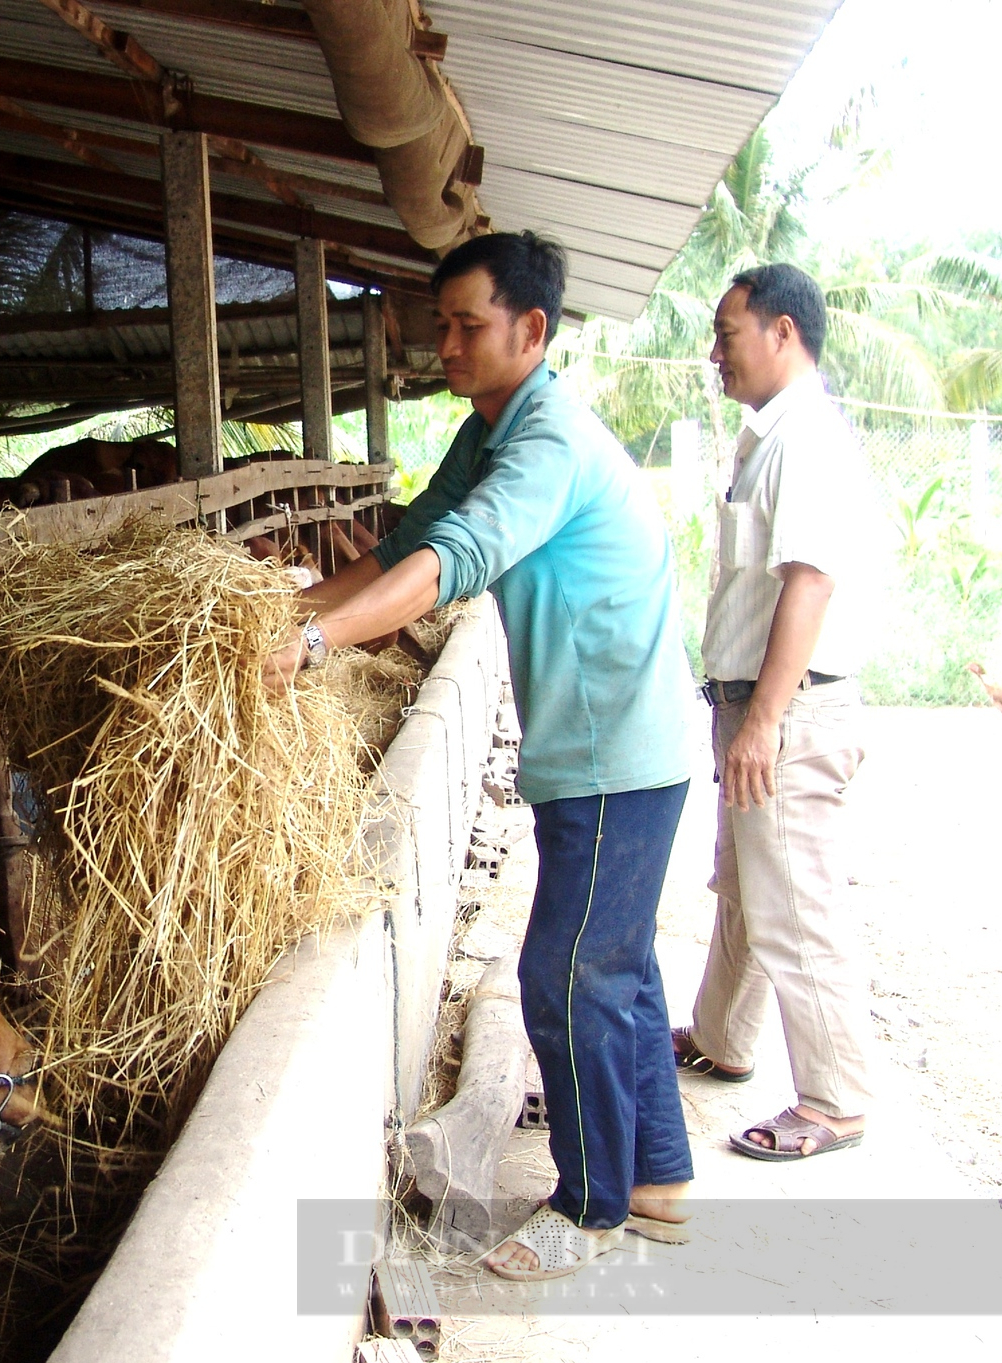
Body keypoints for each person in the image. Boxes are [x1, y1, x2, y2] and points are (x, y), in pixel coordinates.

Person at [266, 232, 694, 1280]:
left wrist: (317, 644)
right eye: (440, 325)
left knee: (564, 969)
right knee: (616, 962)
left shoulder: (546, 443)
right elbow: (406, 537)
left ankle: (588, 1210)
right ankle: (655, 1178)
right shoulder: (489, 429)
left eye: (467, 326)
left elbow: (453, 563)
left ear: (529, 330)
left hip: (615, 753)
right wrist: (275, 614)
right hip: (597, 746)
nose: (445, 345)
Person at [673, 264, 876, 1160]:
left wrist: (763, 721)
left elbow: (811, 583)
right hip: (757, 705)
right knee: (747, 886)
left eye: (727, 333)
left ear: (782, 331)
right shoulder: (771, 436)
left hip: (786, 709)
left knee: (796, 903)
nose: (715, 353)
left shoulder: (806, 441)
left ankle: (835, 1101)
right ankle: (722, 1038)